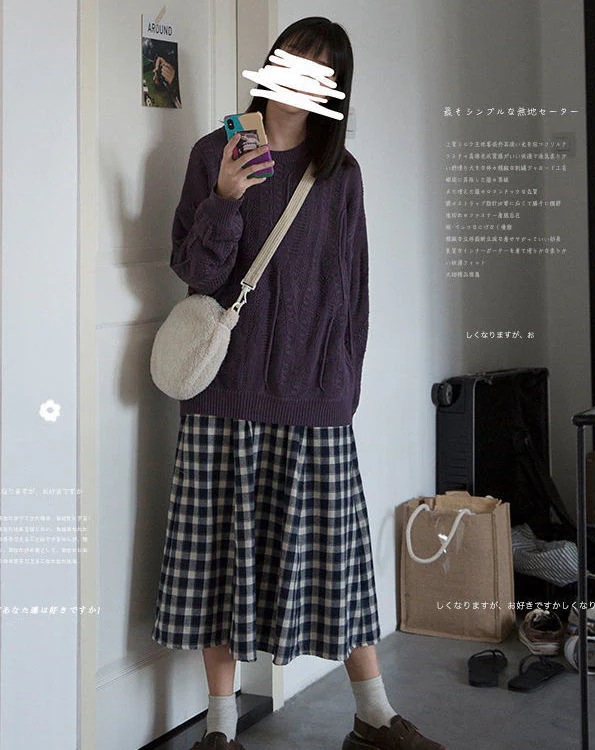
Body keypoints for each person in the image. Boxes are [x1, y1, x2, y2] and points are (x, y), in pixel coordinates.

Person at [151, 16, 445, 750]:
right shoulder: (214, 153)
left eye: (319, 72)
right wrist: (224, 196)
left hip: (314, 397)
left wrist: (343, 384)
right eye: (289, 62)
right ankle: (221, 730)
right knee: (217, 564)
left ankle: (374, 716)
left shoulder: (340, 173)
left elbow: (354, 291)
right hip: (224, 395)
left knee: (338, 562)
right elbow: (197, 274)